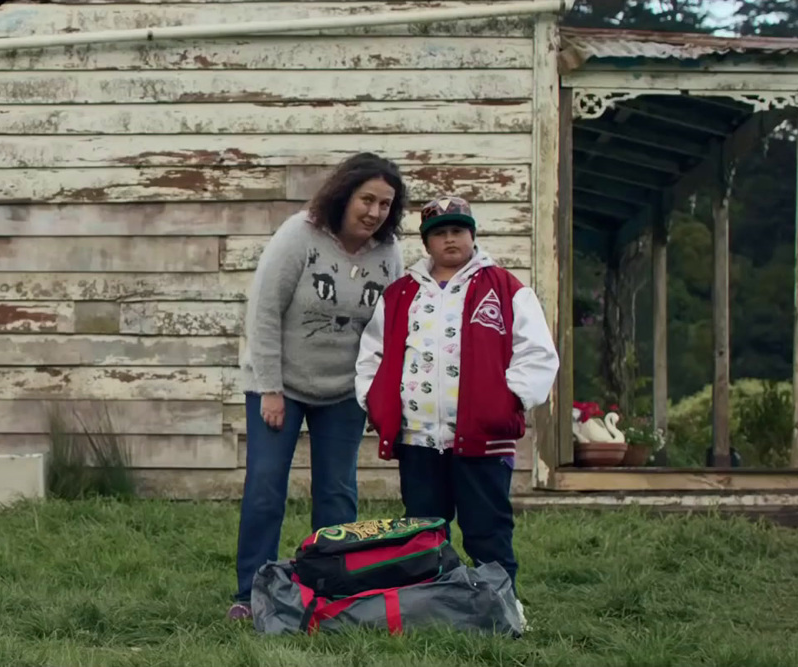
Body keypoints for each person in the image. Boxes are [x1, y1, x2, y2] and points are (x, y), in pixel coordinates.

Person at [353, 195, 559, 610]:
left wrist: (507, 401)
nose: (450, 240)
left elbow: (537, 352)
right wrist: (375, 402)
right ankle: (433, 604)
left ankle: (500, 606)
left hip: (483, 436)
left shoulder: (505, 288)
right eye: (440, 233)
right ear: (426, 244)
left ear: (472, 236)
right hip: (419, 437)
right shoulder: (400, 295)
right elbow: (372, 354)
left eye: (458, 231)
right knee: (424, 528)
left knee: (487, 527)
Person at [230, 153, 408, 620]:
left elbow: (392, 330)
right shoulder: (299, 235)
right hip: (280, 385)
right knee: (266, 488)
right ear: (344, 194)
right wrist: (269, 387)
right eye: (366, 199)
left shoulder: (390, 254)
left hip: (344, 393)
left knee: (338, 492)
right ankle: (251, 594)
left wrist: (377, 394)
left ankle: (329, 591)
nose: (374, 212)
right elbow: (264, 311)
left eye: (385, 204)